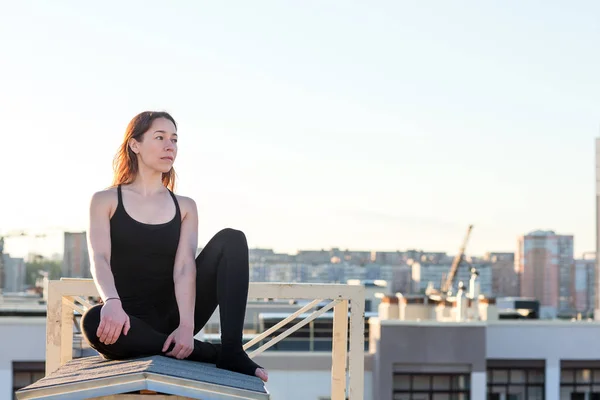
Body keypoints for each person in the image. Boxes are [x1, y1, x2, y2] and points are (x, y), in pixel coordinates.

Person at [80, 111, 268, 382]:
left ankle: (232, 349)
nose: (170, 146)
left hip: (174, 315)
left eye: (174, 139)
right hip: (127, 320)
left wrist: (186, 326)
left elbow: (184, 269)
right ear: (135, 145)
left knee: (232, 239)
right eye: (160, 137)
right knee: (93, 321)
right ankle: (214, 354)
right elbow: (99, 258)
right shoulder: (105, 200)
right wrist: (111, 301)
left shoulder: (185, 206)